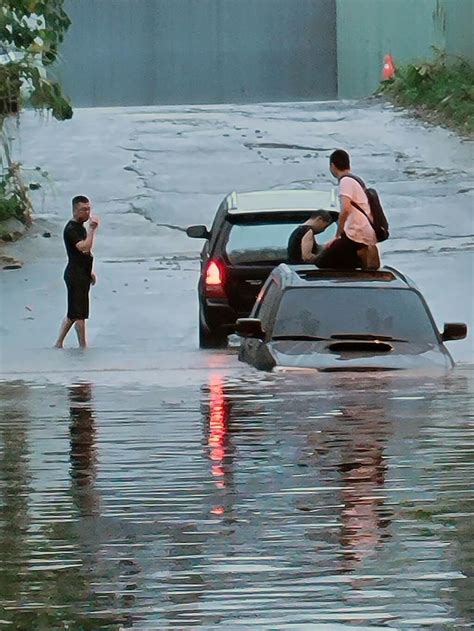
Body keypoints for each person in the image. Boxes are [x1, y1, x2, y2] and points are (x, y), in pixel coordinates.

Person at [317, 149, 380, 270]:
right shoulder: (357, 181)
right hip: (364, 233)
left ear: (332, 166)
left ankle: (360, 254)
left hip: (356, 234)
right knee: (346, 265)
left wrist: (338, 235)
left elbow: (345, 209)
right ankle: (360, 255)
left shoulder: (345, 182)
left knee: (322, 262)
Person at [55, 195, 99, 348]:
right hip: (75, 275)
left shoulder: (80, 226)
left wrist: (90, 272)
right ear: (75, 211)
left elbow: (84, 255)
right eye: (83, 210)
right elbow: (84, 247)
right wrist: (92, 230)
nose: (87, 213)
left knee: (73, 313)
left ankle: (59, 342)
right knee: (79, 314)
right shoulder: (71, 229)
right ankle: (82, 345)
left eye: (88, 209)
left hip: (81, 272)